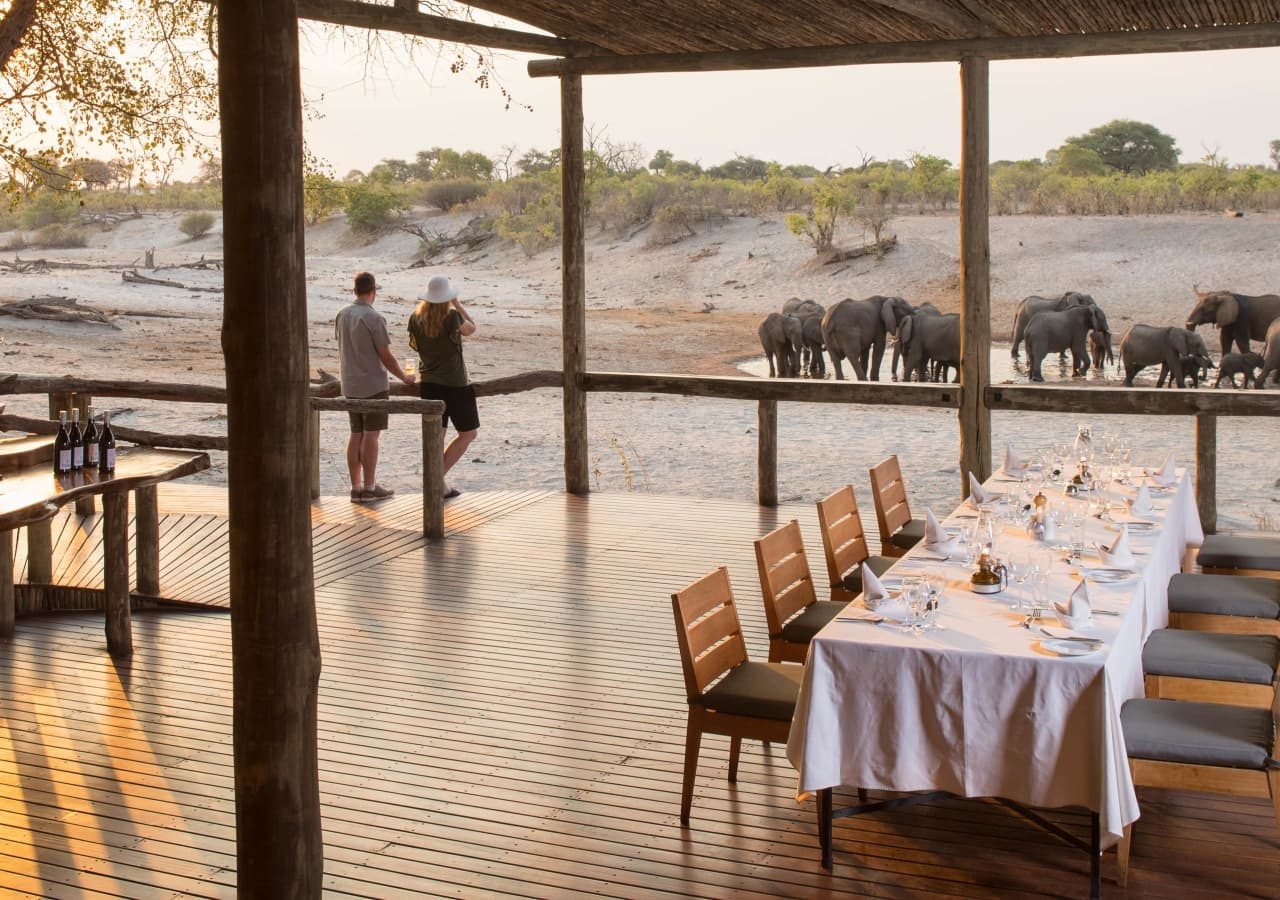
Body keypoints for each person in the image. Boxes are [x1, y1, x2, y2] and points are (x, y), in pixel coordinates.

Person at [335, 271, 415, 502]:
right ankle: (370, 486)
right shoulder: (374, 318)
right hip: (372, 384)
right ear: (373, 291)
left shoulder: (342, 314)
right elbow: (385, 355)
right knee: (371, 436)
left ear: (355, 290)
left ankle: (356, 487)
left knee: (355, 433)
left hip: (349, 383)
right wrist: (403, 377)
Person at [408, 274, 478, 498]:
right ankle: (435, 479)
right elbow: (472, 329)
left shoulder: (415, 318)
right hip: (455, 383)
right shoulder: (452, 316)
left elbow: (417, 347)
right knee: (468, 433)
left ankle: (437, 482)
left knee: (436, 436)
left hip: (428, 383)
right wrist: (457, 303)